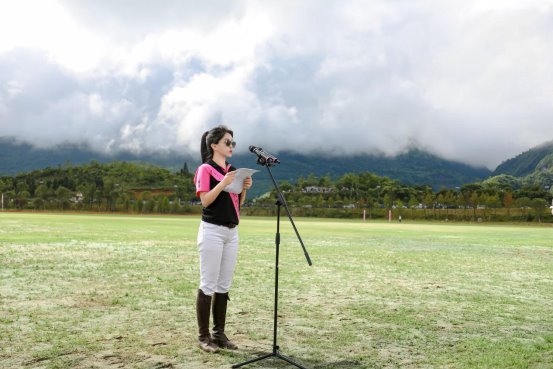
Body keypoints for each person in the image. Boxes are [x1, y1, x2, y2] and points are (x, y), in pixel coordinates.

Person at [193, 125, 253, 353]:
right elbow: (206, 201)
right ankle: (203, 337)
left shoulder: (233, 170)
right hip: (212, 231)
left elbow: (238, 204)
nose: (231, 146)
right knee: (208, 283)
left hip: (231, 232)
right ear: (214, 145)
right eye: (227, 142)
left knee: (223, 284)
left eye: (233, 143)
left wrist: (244, 188)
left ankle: (219, 334)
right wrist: (224, 183)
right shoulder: (205, 169)